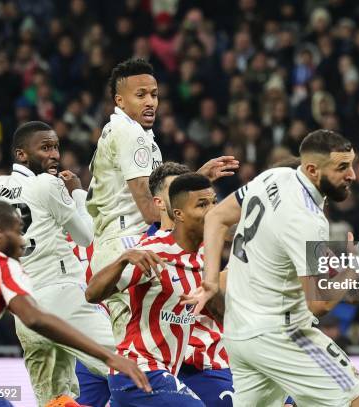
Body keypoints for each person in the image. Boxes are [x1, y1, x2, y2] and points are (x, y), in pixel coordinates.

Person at [183, 130, 359, 406]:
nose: (352, 175)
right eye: (342, 167)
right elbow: (319, 304)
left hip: (241, 335)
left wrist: (210, 280)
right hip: (283, 334)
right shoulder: (307, 221)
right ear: (312, 170)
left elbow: (217, 217)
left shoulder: (274, 177)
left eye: (352, 164)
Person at [0, 121, 115, 406]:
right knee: (128, 366)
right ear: (21, 154)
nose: (54, 154)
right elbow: (86, 236)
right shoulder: (49, 184)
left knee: (54, 399)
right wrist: (77, 191)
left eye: (55, 147)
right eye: (45, 147)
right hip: (64, 299)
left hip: (25, 312)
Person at [86, 58, 237, 344]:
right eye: (140, 95)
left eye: (154, 95)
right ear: (120, 100)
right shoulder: (131, 134)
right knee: (137, 345)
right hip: (128, 242)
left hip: (118, 242)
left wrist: (193, 178)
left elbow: (153, 195)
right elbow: (149, 209)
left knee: (153, 337)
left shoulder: (125, 131)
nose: (150, 102)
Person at [0, 200, 149, 407]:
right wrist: (108, 356)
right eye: (17, 232)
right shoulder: (2, 266)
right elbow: (35, 319)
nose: (23, 241)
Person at [86, 173, 218, 405]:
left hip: (164, 371)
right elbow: (92, 294)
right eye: (202, 205)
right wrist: (123, 259)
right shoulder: (153, 251)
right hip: (140, 369)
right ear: (178, 214)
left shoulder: (206, 253)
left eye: (214, 202)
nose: (212, 210)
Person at [148, 162, 234, 406]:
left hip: (218, 358)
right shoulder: (144, 250)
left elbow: (322, 303)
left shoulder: (211, 244)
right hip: (172, 365)